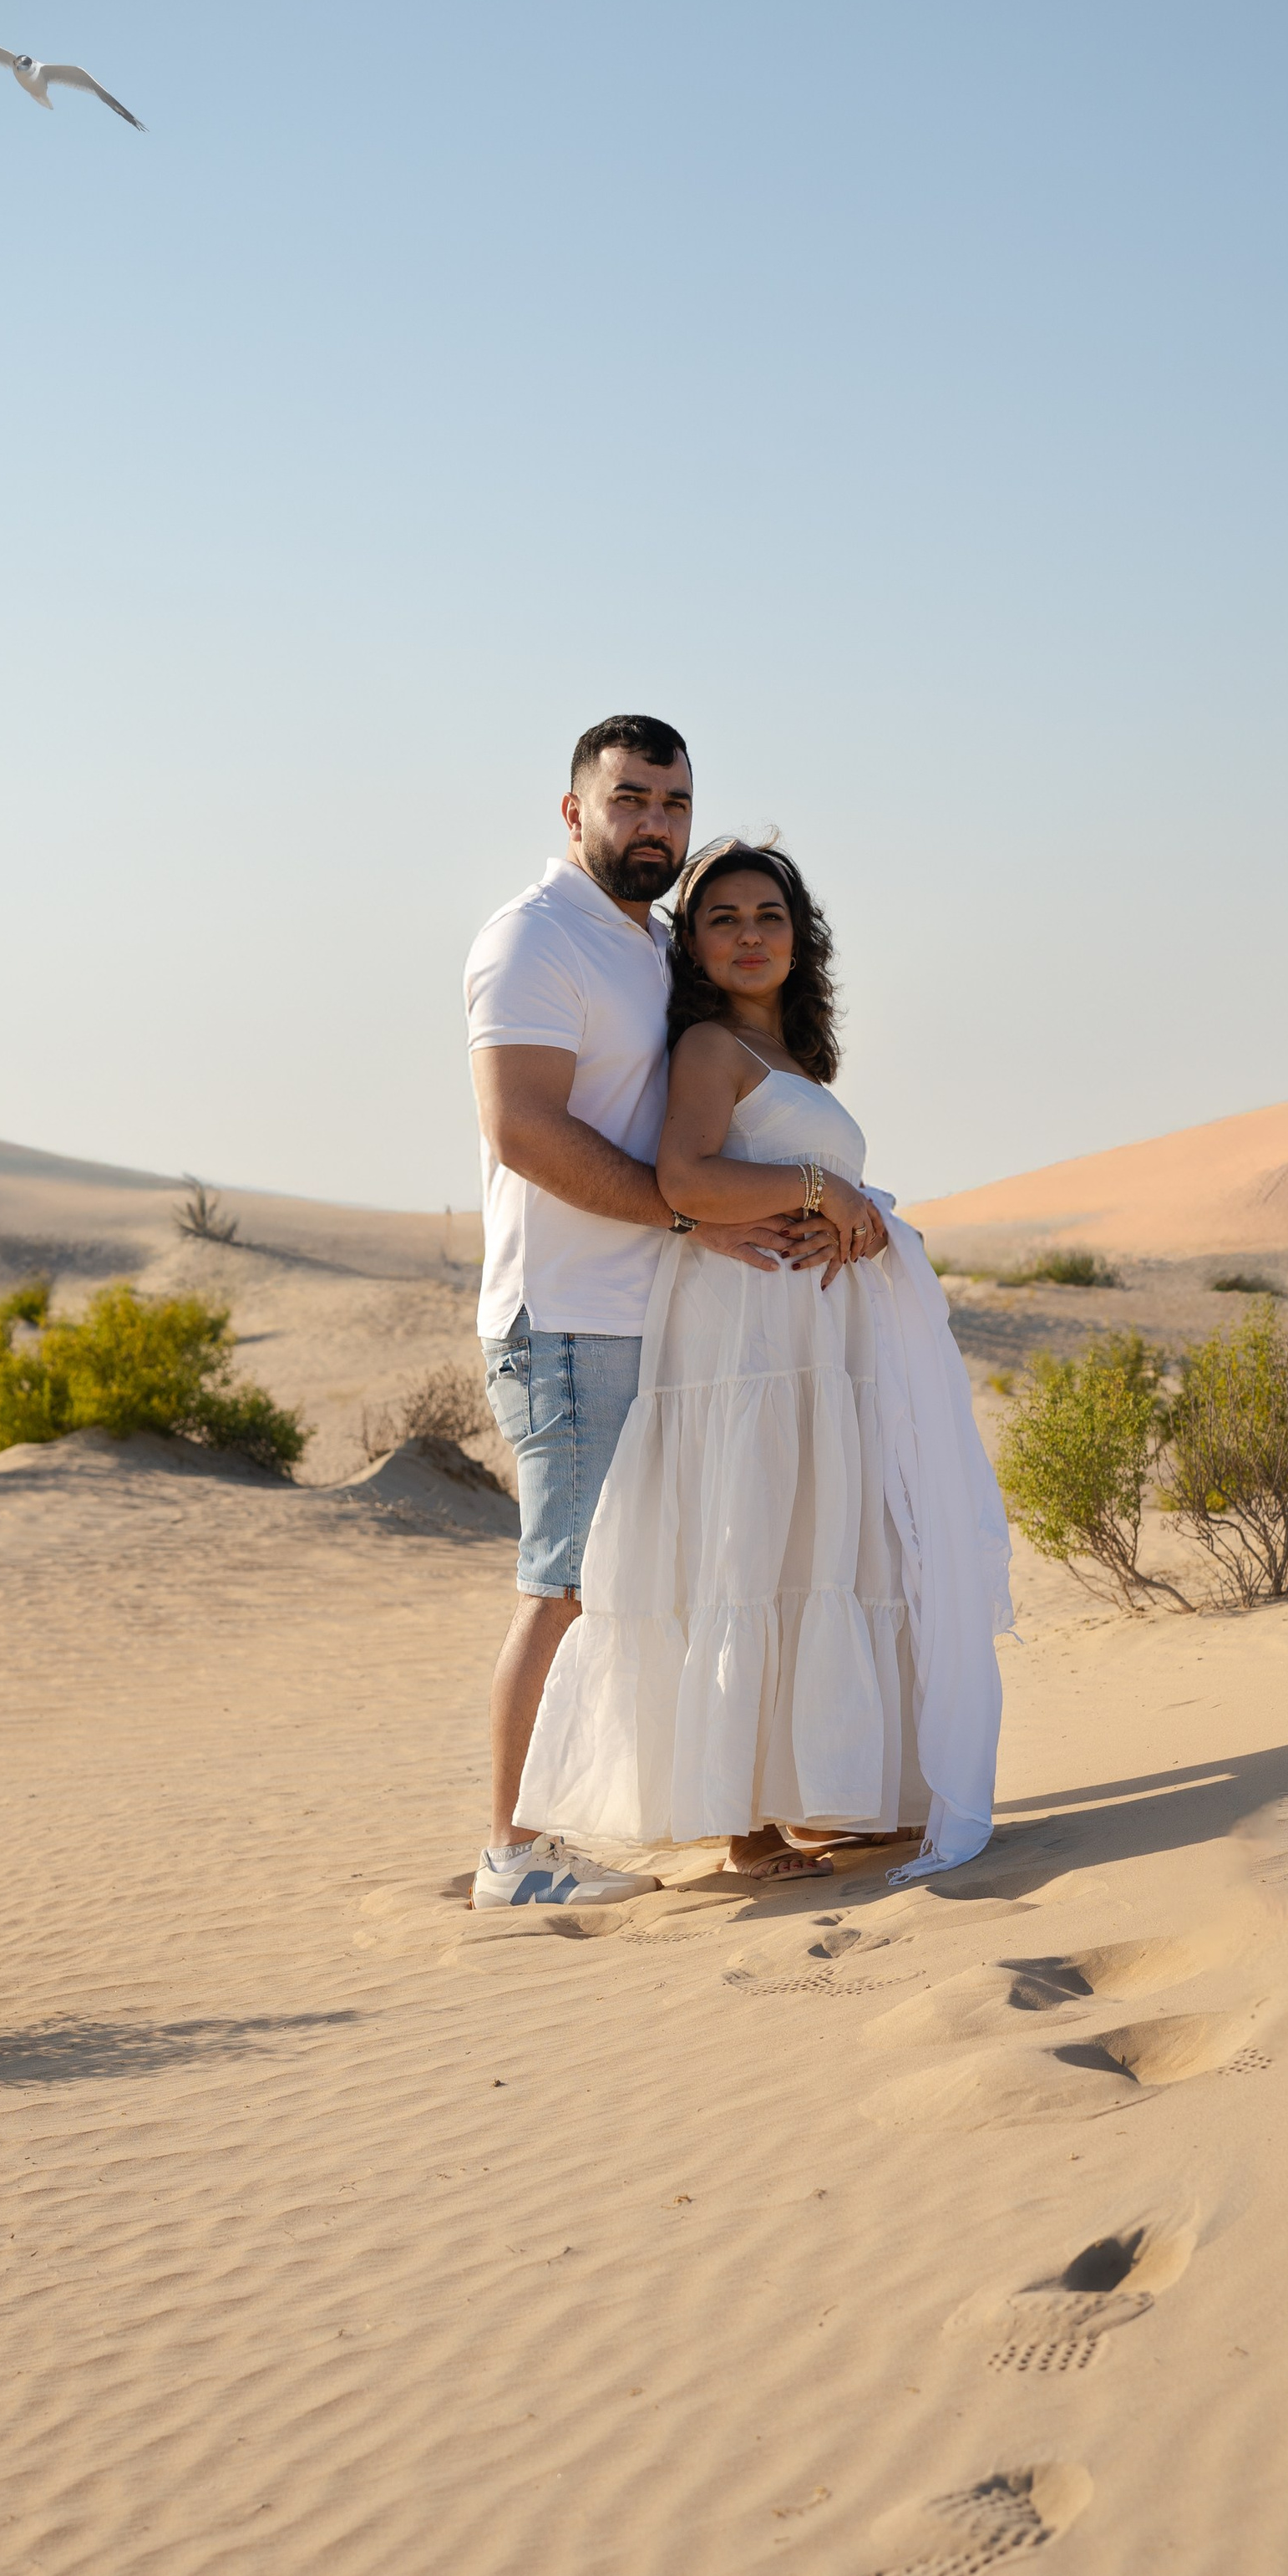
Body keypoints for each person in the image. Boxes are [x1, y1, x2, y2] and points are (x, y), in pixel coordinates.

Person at [517, 836, 1013, 1885]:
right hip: (742, 1340)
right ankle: (741, 1825)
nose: (749, 936)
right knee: (747, 1545)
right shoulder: (710, 1049)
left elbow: (806, 1189)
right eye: (723, 919)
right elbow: (688, 1180)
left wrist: (854, 1222)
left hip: (814, 1341)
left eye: (768, 917)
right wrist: (824, 1194)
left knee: (817, 1544)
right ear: (693, 945)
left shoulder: (789, 1057)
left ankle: (820, 1791)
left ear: (800, 938)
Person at [464, 720, 832, 1913]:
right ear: (574, 812)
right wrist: (684, 1216)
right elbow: (523, 1130)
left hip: (659, 1314)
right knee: (566, 1584)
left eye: (673, 803)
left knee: (660, 1578)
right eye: (629, 800)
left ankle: (719, 1812)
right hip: (569, 1313)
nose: (654, 824)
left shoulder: (650, 944)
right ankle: (514, 1854)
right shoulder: (534, 936)